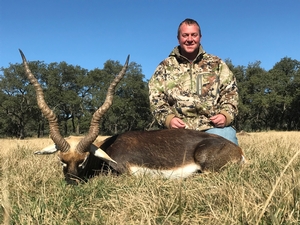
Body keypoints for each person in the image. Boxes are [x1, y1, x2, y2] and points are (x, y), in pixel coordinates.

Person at [148, 18, 239, 145]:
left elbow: (230, 93)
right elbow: (156, 99)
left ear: (200, 37)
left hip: (212, 128)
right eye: (185, 35)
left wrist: (225, 115)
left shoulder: (217, 64)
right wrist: (169, 119)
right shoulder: (164, 66)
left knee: (227, 147)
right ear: (178, 38)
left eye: (193, 35)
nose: (189, 39)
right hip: (177, 131)